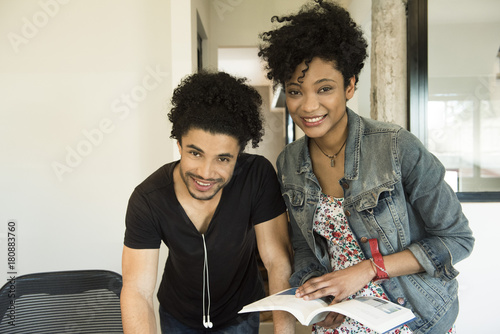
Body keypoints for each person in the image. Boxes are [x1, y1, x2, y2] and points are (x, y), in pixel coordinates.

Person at [258, 1, 474, 333]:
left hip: (412, 316)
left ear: (349, 86)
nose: (308, 105)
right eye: (295, 91)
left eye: (325, 88)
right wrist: (318, 289)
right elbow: (304, 247)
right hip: (340, 319)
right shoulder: (289, 162)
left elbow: (457, 239)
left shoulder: (396, 146)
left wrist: (369, 269)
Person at [120, 71, 295, 333]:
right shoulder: (149, 199)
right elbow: (137, 291)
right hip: (177, 314)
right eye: (195, 153)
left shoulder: (256, 177)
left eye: (223, 159)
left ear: (239, 155)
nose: (205, 172)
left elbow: (277, 262)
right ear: (179, 145)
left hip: (240, 312)